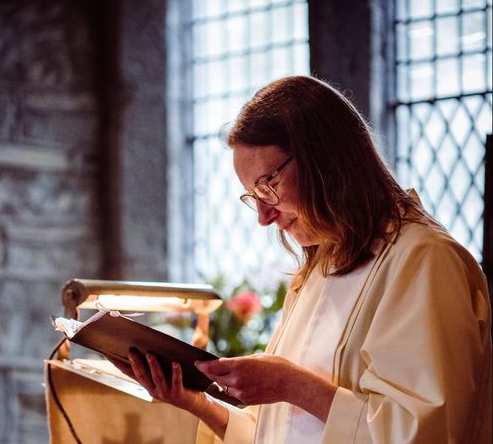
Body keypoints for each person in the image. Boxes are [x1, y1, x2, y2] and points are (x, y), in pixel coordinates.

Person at [109, 76, 492, 443]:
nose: (264, 216)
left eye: (268, 186)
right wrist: (195, 401)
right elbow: (280, 431)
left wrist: (292, 384)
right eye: (252, 196)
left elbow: (427, 434)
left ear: (326, 159)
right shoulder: (321, 267)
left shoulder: (424, 259)